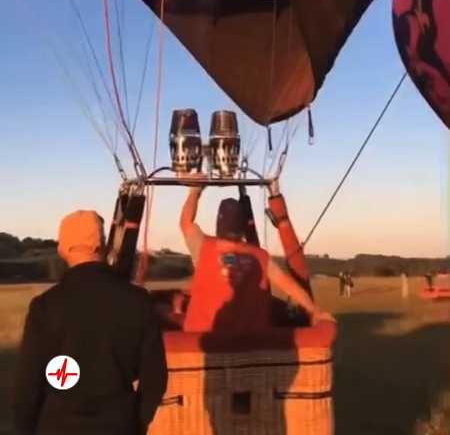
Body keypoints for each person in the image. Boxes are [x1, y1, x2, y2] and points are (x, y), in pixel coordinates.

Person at [12, 209, 168, 435]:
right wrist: (137, 422)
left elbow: (26, 389)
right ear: (103, 246)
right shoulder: (138, 301)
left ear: (62, 249)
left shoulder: (45, 306)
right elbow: (154, 378)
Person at [180, 186, 333, 333]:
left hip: (202, 342)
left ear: (218, 224)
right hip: (249, 347)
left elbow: (185, 222)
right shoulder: (260, 256)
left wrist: (195, 191)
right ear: (241, 229)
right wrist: (314, 310)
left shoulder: (203, 246)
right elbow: (289, 285)